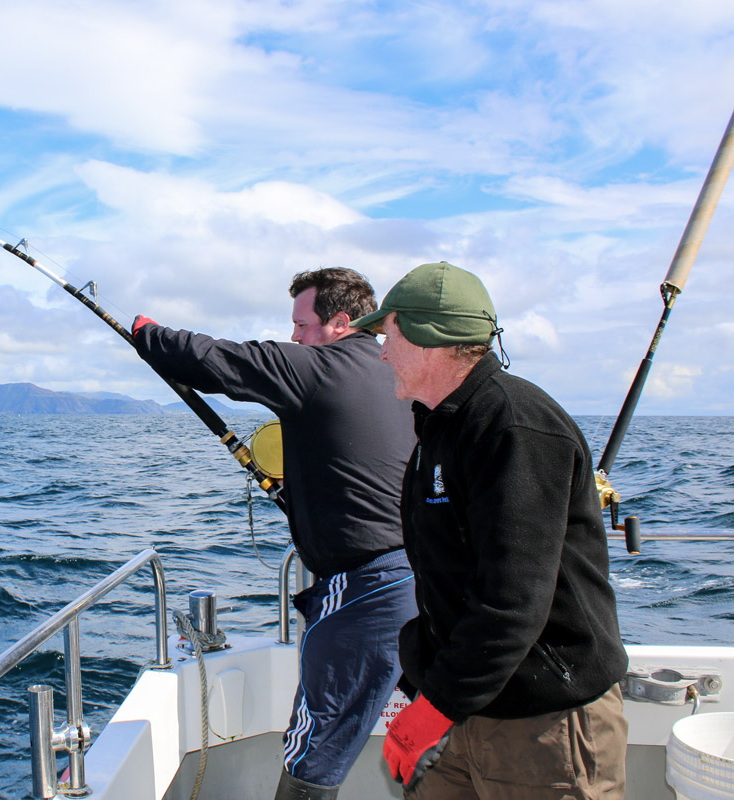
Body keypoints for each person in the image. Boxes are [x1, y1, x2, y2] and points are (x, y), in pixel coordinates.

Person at [133, 267, 417, 800]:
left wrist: (146, 333)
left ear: (341, 321)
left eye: (301, 324)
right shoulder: (397, 374)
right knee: (434, 729)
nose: (294, 337)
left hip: (364, 591)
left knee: (312, 750)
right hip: (423, 581)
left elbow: (220, 360)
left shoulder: (322, 368)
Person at [350, 261, 628, 798]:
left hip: (543, 719)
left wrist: (432, 711)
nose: (381, 352)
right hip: (467, 704)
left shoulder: (515, 427)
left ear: (431, 340)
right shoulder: (442, 422)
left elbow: (512, 602)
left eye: (389, 335)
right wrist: (428, 688)